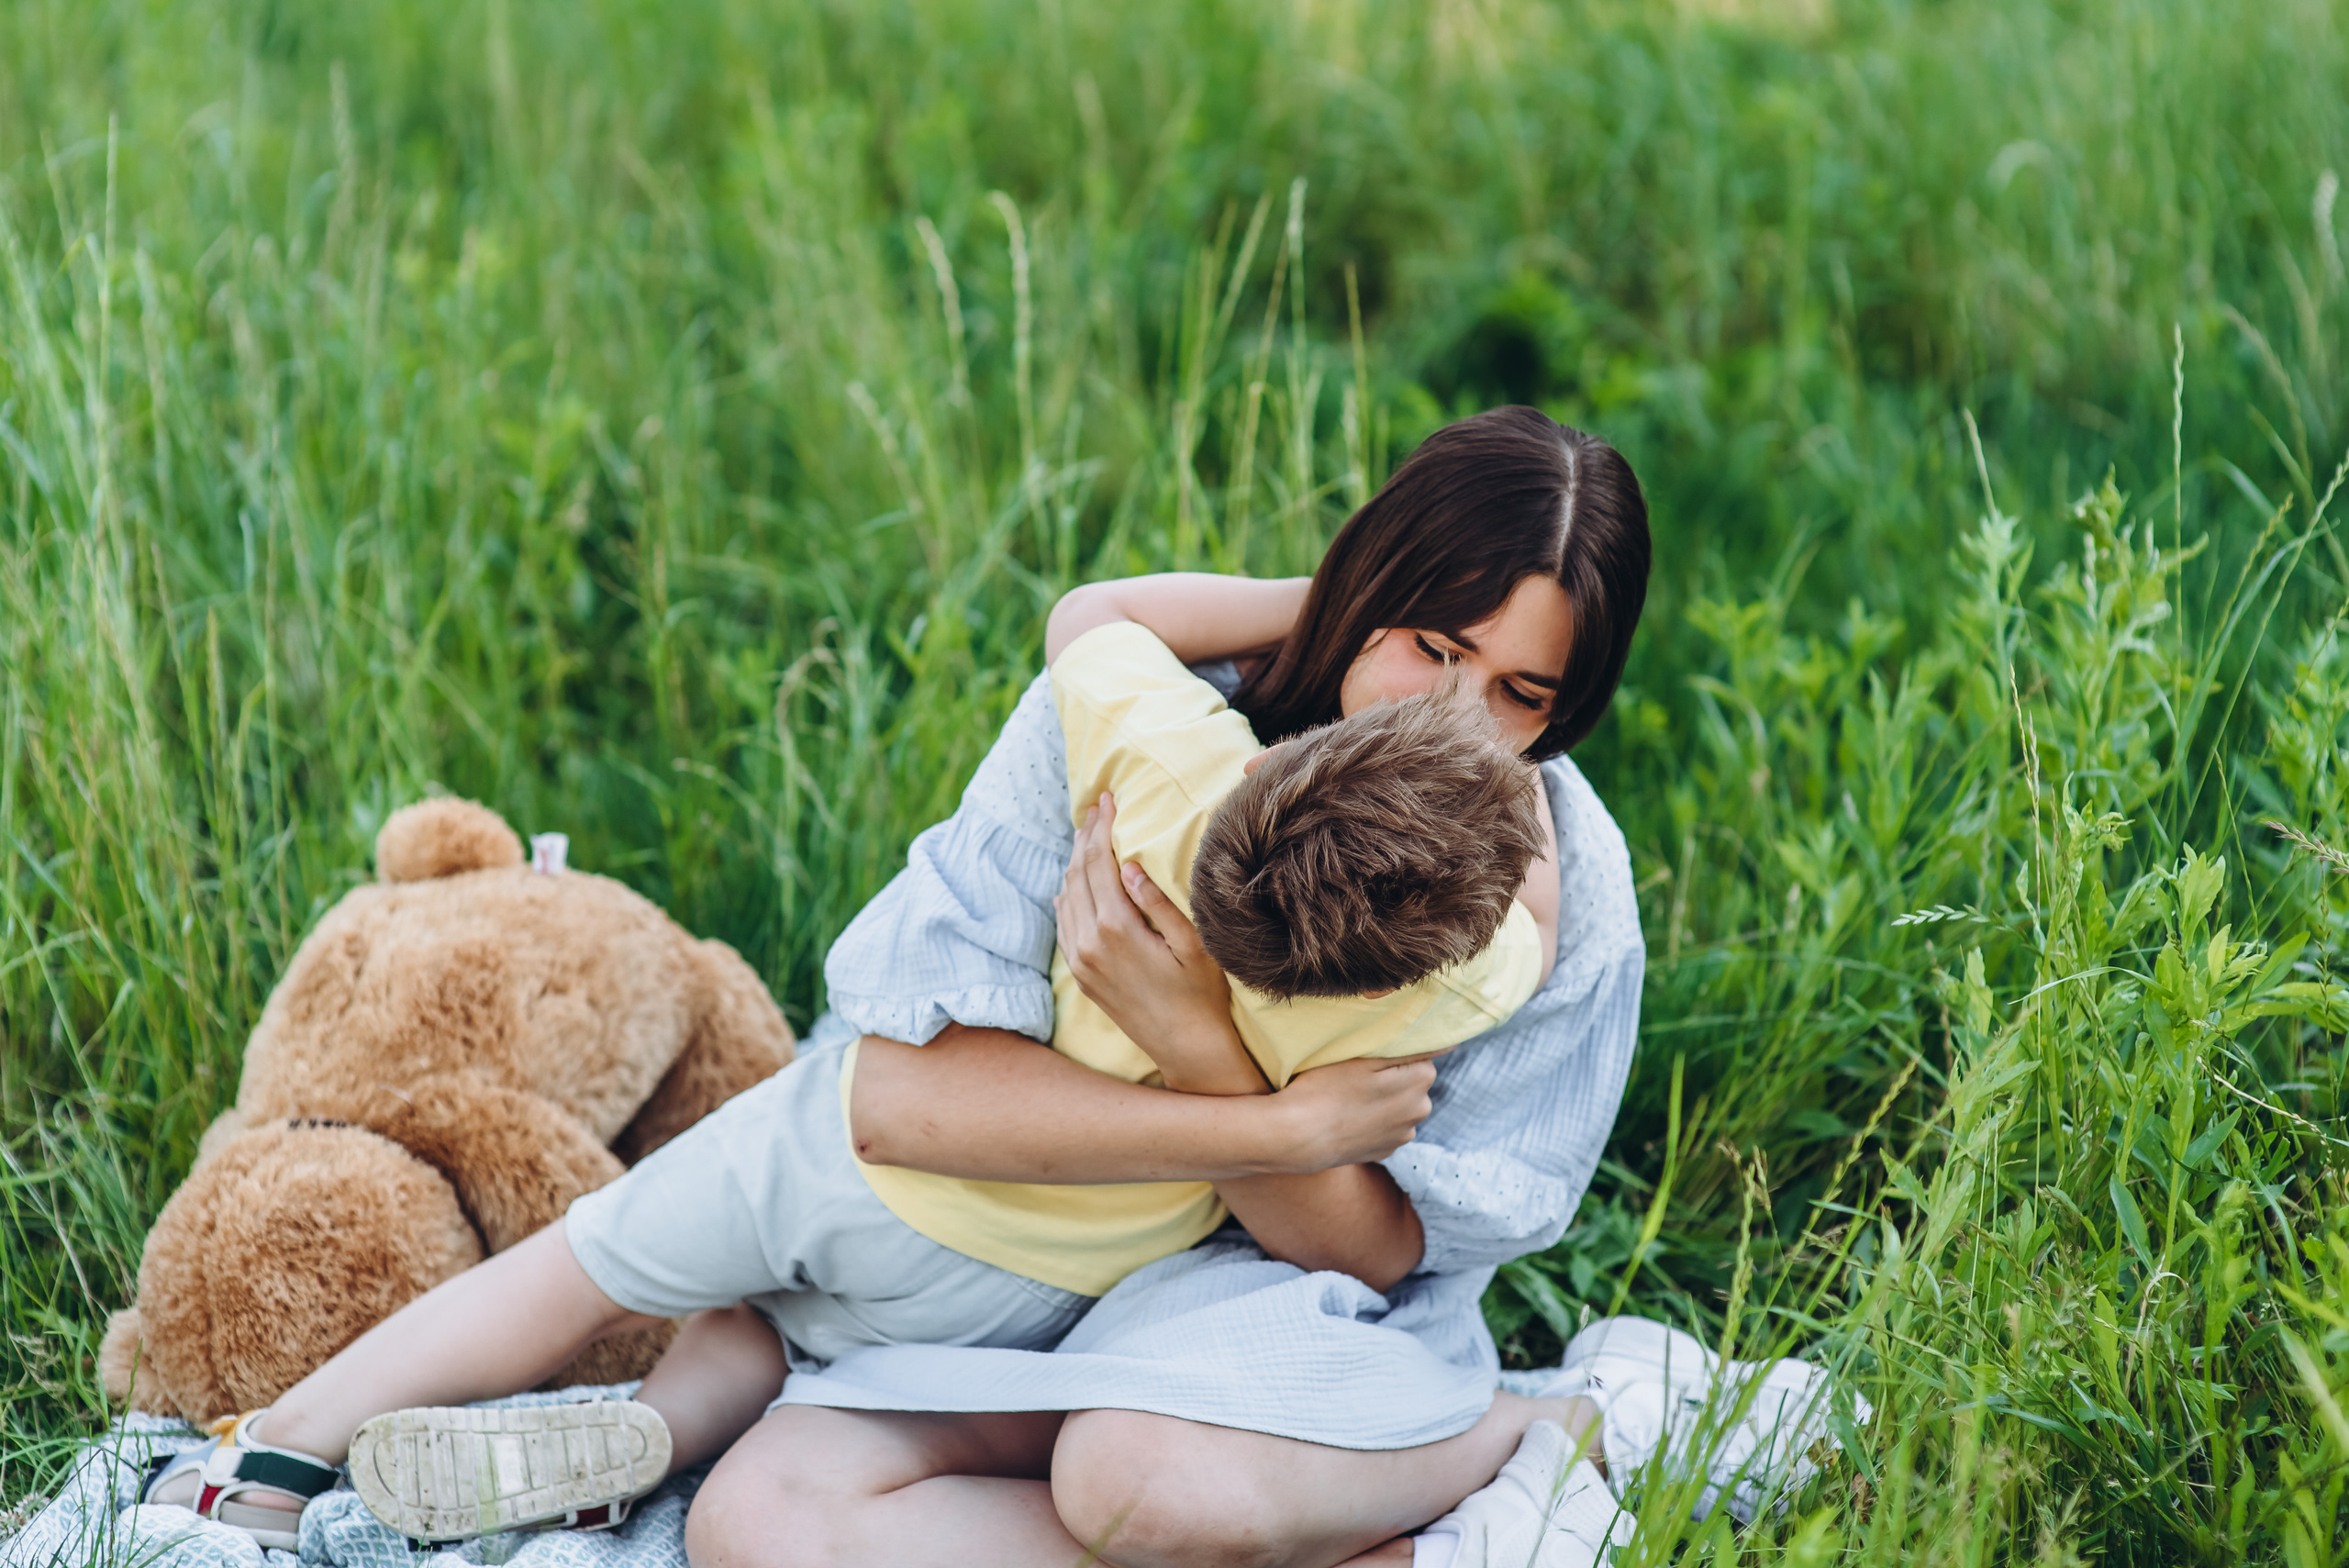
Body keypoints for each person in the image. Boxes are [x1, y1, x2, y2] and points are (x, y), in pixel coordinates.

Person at [134, 499, 1566, 1545]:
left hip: (850, 1158)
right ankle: (664, 1439)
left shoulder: (1173, 766)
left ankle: (268, 1464)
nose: (1459, 705)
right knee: (772, 1328)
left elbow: (1092, 617)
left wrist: (1333, 595)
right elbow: (1532, 923)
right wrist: (1287, 1112)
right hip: (1033, 1283)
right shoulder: (1433, 980)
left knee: (595, 1263)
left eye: (1507, 690)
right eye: (1441, 649)